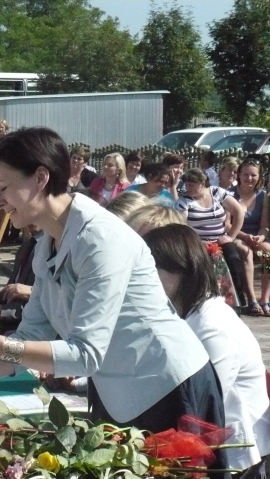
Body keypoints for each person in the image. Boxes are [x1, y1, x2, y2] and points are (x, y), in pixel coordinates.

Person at [0, 128, 225, 441]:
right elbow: (30, 338)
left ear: (41, 178)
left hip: (168, 390)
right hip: (120, 393)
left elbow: (85, 355)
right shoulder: (47, 243)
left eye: (3, 188)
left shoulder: (100, 239)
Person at [143, 224, 270, 477]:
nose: (143, 279)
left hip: (237, 458)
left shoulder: (213, 326)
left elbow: (200, 401)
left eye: (150, 269)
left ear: (181, 270)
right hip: (207, 446)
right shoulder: (185, 314)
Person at [176, 168, 246, 309]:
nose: (187, 188)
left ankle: (237, 300)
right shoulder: (184, 201)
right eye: (186, 184)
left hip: (221, 240)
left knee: (233, 259)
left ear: (202, 183)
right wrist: (198, 242)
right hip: (197, 242)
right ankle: (207, 302)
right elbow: (182, 226)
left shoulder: (217, 193)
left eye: (191, 185)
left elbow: (238, 211)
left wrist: (231, 237)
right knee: (204, 266)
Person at [231, 157, 270, 316]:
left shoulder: (263, 196)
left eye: (253, 175)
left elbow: (265, 226)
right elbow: (227, 225)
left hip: (256, 237)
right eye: (245, 174)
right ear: (239, 175)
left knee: (268, 254)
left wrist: (260, 238)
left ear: (259, 177)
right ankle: (252, 300)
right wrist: (246, 236)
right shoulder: (230, 194)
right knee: (246, 253)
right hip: (236, 235)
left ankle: (265, 299)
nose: (249, 178)